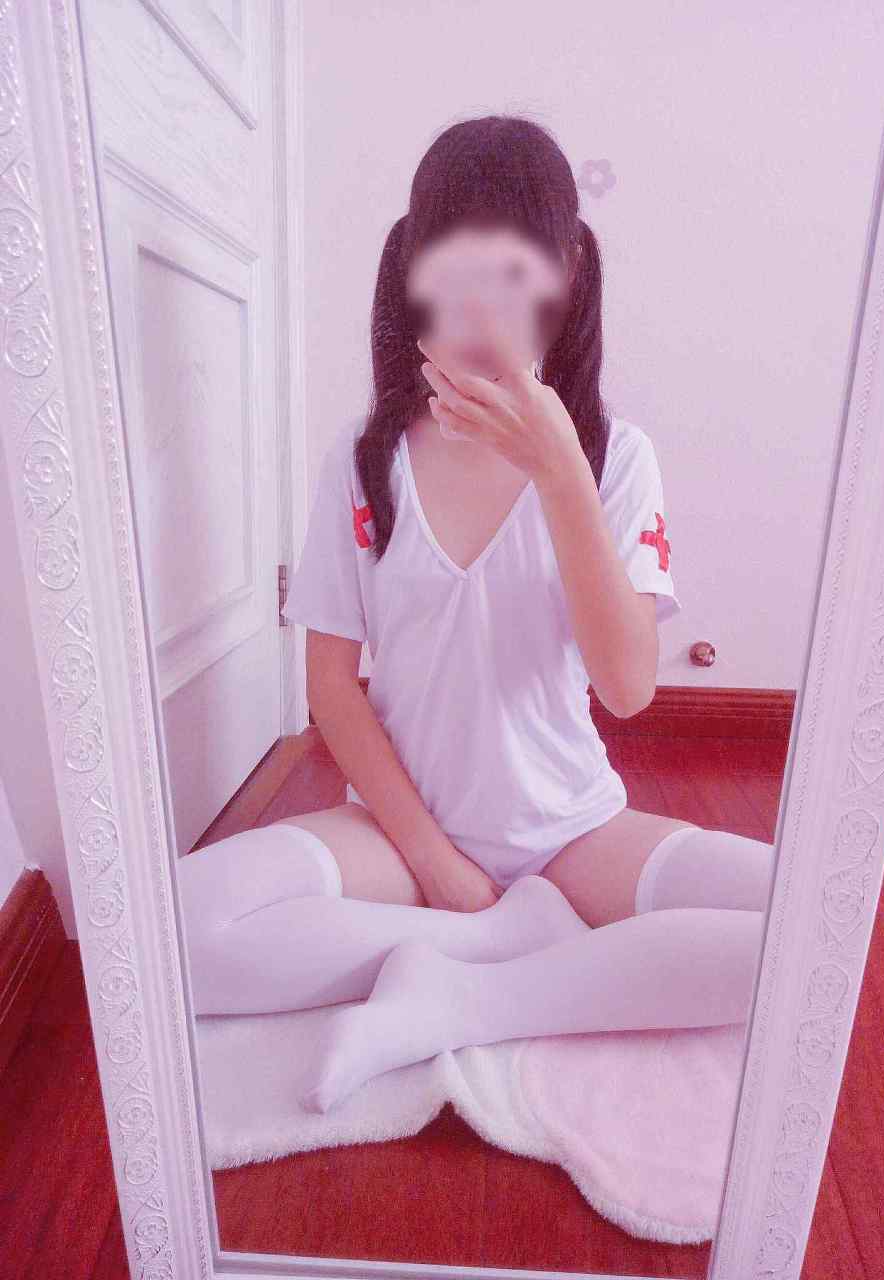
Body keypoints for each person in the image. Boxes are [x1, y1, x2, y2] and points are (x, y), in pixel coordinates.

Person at [176, 115, 776, 1112]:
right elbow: (331, 685)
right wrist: (438, 865)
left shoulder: (616, 457)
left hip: (570, 830)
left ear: (566, 273)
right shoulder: (367, 457)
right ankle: (500, 941)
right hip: (401, 832)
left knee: (812, 923)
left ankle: (473, 994)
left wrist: (559, 471)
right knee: (175, 928)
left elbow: (628, 686)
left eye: (515, 269)